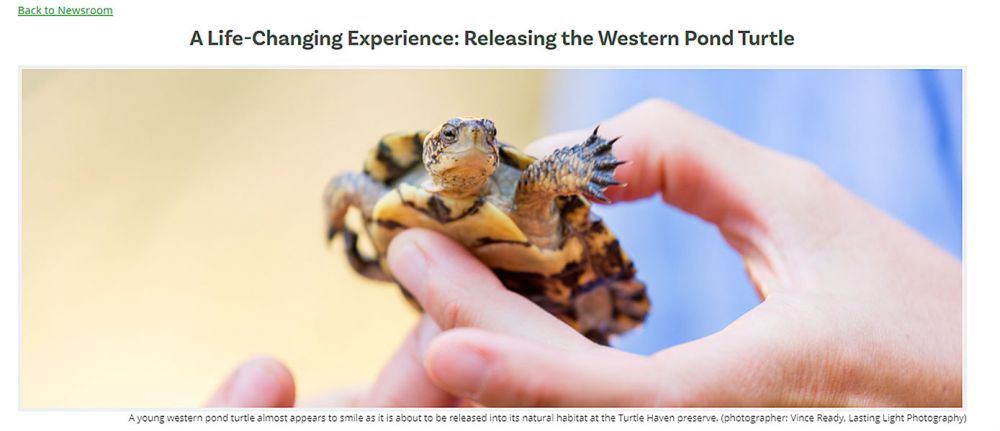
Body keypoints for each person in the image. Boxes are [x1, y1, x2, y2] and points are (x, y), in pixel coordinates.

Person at [207, 98, 961, 407]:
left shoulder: (523, 189)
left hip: (570, 286)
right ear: (434, 156)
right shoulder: (395, 189)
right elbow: (351, 184)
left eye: (480, 135)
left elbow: (544, 183)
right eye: (450, 139)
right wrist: (342, 210)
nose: (468, 145)